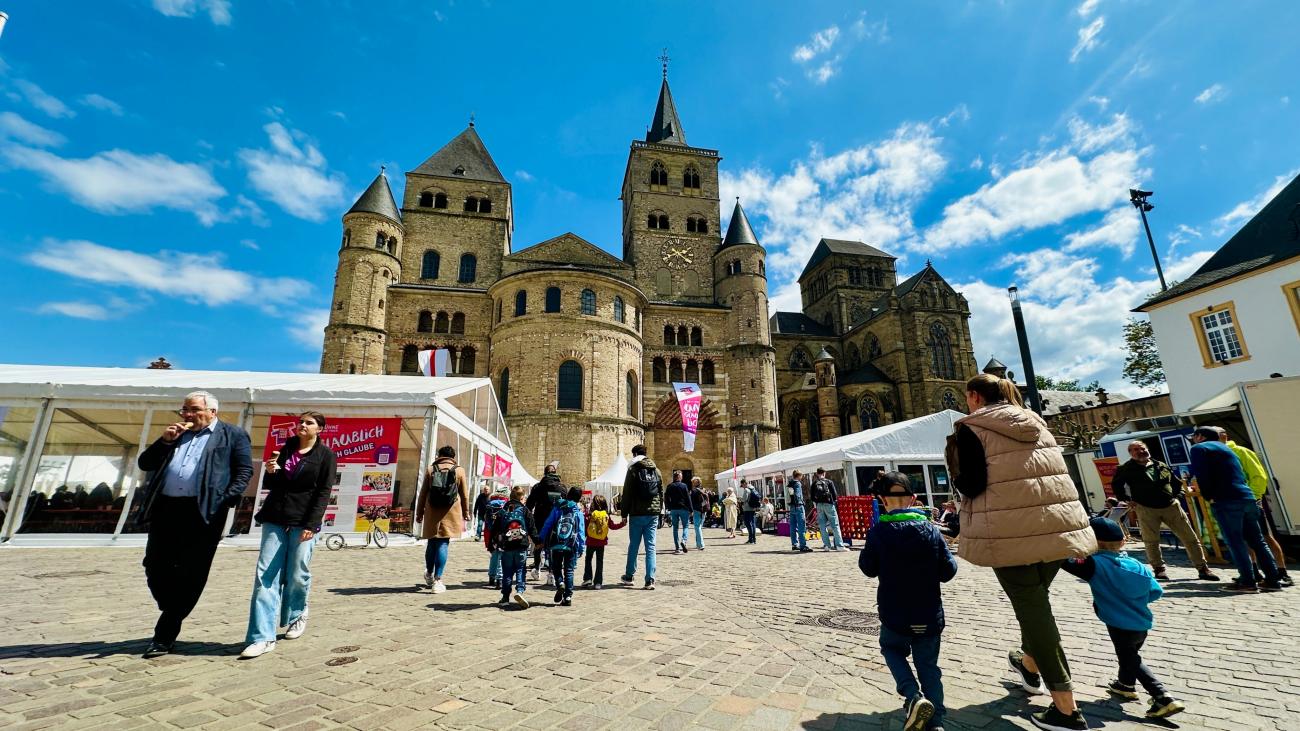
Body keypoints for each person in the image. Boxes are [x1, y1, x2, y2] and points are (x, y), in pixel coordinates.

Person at [946, 374, 1095, 731]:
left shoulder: (970, 428)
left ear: (974, 396)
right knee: (1036, 605)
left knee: (1035, 614)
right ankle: (1029, 667)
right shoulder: (1038, 424)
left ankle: (1065, 708)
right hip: (1060, 528)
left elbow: (971, 483)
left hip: (1010, 533)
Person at [136, 391, 253, 659]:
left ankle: (165, 632)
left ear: (212, 411)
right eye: (184, 410)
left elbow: (243, 471)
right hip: (167, 508)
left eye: (193, 410)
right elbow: (146, 463)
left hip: (204, 511)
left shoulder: (232, 435)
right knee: (154, 564)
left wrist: (224, 500)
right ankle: (172, 606)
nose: (187, 415)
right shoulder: (175, 436)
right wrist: (164, 442)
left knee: (192, 571)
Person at [1060, 518, 1186, 720]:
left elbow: (1065, 561)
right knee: (1128, 654)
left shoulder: (1095, 564)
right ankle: (1125, 685)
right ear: (1122, 541)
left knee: (1131, 659)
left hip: (1118, 624)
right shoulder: (1137, 564)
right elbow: (1155, 591)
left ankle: (1162, 696)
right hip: (1141, 623)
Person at [860, 472, 957, 731]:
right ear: (914, 499)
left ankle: (913, 696)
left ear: (882, 500)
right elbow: (949, 571)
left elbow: (868, 568)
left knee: (891, 650)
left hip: (895, 615)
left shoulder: (879, 532)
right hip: (929, 614)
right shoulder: (931, 530)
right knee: (929, 666)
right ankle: (936, 723)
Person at [241, 411, 337, 659]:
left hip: (303, 521)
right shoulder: (286, 448)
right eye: (301, 422)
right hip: (276, 516)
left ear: (320, 429)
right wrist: (272, 472)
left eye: (309, 423)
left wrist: (312, 524)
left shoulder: (325, 456)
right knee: (266, 576)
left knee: (297, 573)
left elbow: (323, 492)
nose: (302, 425)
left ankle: (297, 613)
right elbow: (275, 485)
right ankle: (261, 636)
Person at [1188, 427, 1283, 592]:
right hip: (1247, 497)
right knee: (1258, 541)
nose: (1192, 440)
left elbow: (1202, 474)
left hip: (1226, 499)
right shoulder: (1226, 448)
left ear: (1200, 436)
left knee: (1235, 541)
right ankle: (1273, 580)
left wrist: (1208, 495)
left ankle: (1247, 581)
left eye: (1193, 437)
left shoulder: (1199, 448)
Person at [1110, 441, 1217, 582]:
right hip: (1146, 508)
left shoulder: (1160, 465)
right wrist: (1126, 499)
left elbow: (1176, 483)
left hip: (1171, 506)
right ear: (1130, 453)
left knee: (1190, 538)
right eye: (1136, 450)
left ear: (1147, 449)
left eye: (1142, 448)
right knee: (1151, 541)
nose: (1140, 451)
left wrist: (1177, 496)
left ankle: (1203, 568)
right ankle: (1159, 570)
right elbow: (1116, 486)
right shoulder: (1125, 469)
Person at [1215, 427, 1292, 586]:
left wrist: (1254, 497)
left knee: (1264, 537)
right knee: (1245, 539)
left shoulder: (1242, 452)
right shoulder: (1217, 455)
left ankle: (1282, 571)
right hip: (1234, 503)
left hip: (1250, 501)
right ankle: (1254, 571)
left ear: (1223, 436)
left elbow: (1259, 476)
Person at [415, 445, 470, 594]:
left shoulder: (431, 469)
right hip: (450, 511)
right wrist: (466, 512)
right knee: (443, 543)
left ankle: (429, 573)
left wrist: (419, 513)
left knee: (432, 542)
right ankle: (438, 580)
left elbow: (423, 493)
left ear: (439, 455)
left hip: (432, 510)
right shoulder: (459, 470)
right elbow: (464, 494)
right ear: (453, 457)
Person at [620, 444, 662, 589]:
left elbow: (627, 493)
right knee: (651, 546)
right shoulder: (657, 470)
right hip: (653, 513)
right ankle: (650, 579)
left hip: (637, 512)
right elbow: (660, 492)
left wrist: (624, 514)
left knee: (634, 545)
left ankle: (629, 576)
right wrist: (660, 511)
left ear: (635, 454)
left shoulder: (633, 470)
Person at [492, 485, 536, 609]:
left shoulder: (503, 510)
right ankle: (520, 591)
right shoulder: (525, 510)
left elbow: (495, 529)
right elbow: (532, 528)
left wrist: (493, 543)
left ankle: (505, 597)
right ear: (522, 498)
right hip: (521, 546)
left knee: (507, 572)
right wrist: (538, 541)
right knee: (521, 569)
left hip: (507, 546)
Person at [541, 486, 586, 606]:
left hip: (557, 542)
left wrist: (541, 538)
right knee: (569, 570)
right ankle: (567, 597)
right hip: (572, 544)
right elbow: (581, 531)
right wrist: (582, 547)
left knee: (556, 567)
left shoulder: (558, 507)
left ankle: (560, 583)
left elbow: (548, 523)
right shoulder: (577, 511)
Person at [527, 463, 565, 583]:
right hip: (556, 521)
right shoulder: (562, 488)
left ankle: (537, 569)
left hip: (540, 520)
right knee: (553, 547)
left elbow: (529, 505)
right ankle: (552, 574)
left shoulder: (538, 487)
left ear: (545, 473)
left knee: (539, 545)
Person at [582, 494, 624, 589]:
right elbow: (613, 526)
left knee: (588, 559)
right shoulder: (606, 516)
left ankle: (588, 579)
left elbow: (585, 528)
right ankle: (598, 582)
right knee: (599, 561)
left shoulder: (590, 515)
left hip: (590, 541)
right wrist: (622, 524)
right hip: (601, 542)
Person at [810, 467, 846, 552]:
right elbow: (834, 494)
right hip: (829, 504)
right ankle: (839, 545)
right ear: (824, 473)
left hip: (819, 505)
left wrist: (818, 502)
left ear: (817, 473)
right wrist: (832, 502)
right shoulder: (829, 482)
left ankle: (827, 546)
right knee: (835, 525)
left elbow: (812, 497)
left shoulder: (814, 483)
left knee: (822, 526)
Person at [483, 490, 509, 588]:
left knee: (493, 555)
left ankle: (491, 577)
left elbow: (486, 521)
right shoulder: (506, 504)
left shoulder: (490, 504)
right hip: (502, 534)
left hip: (491, 534)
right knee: (500, 557)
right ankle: (500, 579)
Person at [664, 470, 691, 554]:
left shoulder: (669, 486)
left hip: (674, 509)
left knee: (675, 528)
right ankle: (684, 540)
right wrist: (691, 509)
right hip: (683, 508)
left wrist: (668, 507)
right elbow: (687, 498)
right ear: (679, 477)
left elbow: (666, 498)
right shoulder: (684, 486)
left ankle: (677, 548)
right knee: (685, 526)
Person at [786, 472, 811, 552]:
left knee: (793, 527)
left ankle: (794, 544)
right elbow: (797, 494)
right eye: (801, 476)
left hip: (792, 506)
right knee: (801, 526)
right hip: (798, 506)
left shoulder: (790, 483)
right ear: (799, 475)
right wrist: (800, 502)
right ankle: (803, 545)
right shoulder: (797, 484)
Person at [689, 477, 708, 550]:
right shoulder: (704, 490)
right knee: (699, 527)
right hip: (704, 510)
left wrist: (691, 511)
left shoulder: (693, 491)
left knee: (697, 527)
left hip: (697, 510)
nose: (692, 484)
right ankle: (698, 544)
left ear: (695, 483)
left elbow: (691, 502)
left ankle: (701, 544)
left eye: (693, 482)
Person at [740, 479, 761, 544]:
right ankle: (753, 539)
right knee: (752, 524)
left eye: (742, 485)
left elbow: (744, 499)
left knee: (748, 523)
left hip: (747, 508)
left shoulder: (746, 490)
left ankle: (751, 539)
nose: (742, 487)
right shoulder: (752, 489)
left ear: (744, 483)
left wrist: (740, 498)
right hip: (753, 508)